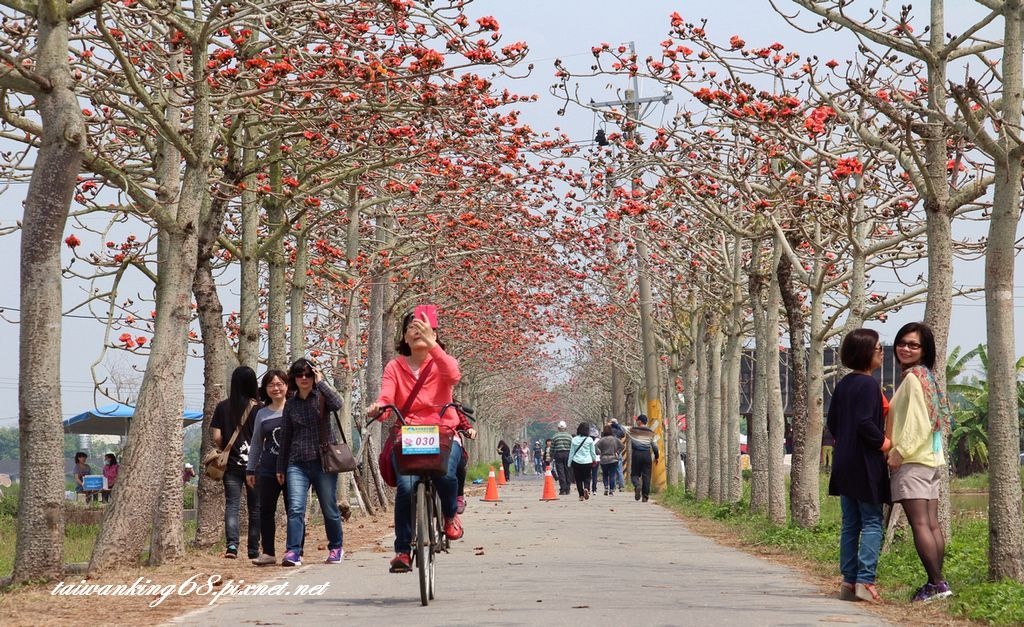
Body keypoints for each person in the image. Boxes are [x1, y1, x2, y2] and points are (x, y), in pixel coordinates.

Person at [367, 310, 477, 574]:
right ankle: (402, 551)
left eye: (424, 328)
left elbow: (453, 375)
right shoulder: (395, 367)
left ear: (435, 334)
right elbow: (387, 397)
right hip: (409, 434)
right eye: (412, 328)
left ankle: (450, 514)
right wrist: (378, 408)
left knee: (447, 476)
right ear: (404, 337)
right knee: (406, 488)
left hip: (443, 432)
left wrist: (434, 347)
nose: (417, 332)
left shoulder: (442, 362)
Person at [887, 322, 954, 602]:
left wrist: (899, 451)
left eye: (913, 345)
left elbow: (917, 422)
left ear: (924, 350)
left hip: (913, 460)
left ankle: (936, 584)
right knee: (931, 524)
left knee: (921, 525)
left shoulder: (914, 379)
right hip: (930, 459)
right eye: (902, 343)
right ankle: (938, 583)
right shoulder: (926, 376)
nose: (905, 348)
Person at [827, 328, 891, 603]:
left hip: (844, 461)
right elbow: (866, 423)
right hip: (865, 463)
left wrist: (848, 442)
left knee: (851, 523)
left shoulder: (843, 384)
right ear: (866, 352)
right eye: (878, 348)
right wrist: (885, 444)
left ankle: (849, 582)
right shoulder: (867, 385)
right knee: (873, 522)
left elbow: (832, 423)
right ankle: (866, 581)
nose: (882, 353)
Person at [276, 358, 345, 567]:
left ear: (313, 376)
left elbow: (338, 403)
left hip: (323, 462)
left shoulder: (322, 396)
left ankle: (336, 547)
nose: (304, 378)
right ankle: (293, 552)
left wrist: (322, 381)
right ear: (293, 378)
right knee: (296, 507)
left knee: (328, 507)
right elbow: (286, 437)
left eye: (308, 374)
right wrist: (281, 466)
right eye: (299, 375)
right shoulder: (291, 404)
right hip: (297, 463)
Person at [211, 365, 261, 559]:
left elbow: (216, 436)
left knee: (232, 505)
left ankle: (232, 546)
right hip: (254, 466)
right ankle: (253, 549)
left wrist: (226, 447)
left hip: (231, 465)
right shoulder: (259, 408)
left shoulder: (223, 406)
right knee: (254, 507)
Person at [247, 369, 294, 566]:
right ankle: (268, 552)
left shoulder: (294, 408)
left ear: (287, 386)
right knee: (266, 510)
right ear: (265, 389)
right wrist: (250, 469)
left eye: (280, 384)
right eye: (271, 385)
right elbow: (257, 443)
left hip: (293, 469)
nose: (276, 388)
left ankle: (293, 550)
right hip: (267, 468)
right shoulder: (261, 413)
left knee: (294, 509)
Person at [627, 415, 660, 502]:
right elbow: (655, 447)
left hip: (636, 454)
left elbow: (622, 428)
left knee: (634, 474)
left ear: (640, 421)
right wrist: (656, 457)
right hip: (647, 455)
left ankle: (637, 485)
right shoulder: (651, 432)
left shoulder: (633, 430)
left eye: (637, 420)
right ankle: (645, 496)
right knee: (646, 476)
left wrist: (613, 423)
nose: (636, 422)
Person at [569, 422, 598, 500]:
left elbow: (571, 452)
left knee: (578, 479)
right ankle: (586, 488)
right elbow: (592, 452)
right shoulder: (589, 440)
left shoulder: (574, 439)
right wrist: (594, 460)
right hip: (587, 462)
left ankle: (581, 495)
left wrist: (569, 463)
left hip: (576, 462)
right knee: (587, 477)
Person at [596, 425, 624, 495]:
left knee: (605, 474)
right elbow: (622, 446)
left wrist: (599, 453)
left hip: (604, 459)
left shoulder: (602, 440)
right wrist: (617, 452)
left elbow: (595, 447)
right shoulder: (615, 439)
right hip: (613, 459)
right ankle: (611, 490)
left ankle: (606, 487)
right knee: (612, 475)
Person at [551, 421, 573, 495]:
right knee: (568, 471)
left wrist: (551, 456)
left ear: (558, 428)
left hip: (559, 454)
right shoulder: (569, 436)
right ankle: (568, 488)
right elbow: (572, 447)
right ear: (565, 428)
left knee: (561, 472)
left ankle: (562, 489)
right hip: (568, 454)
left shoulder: (555, 436)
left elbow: (552, 448)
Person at [610, 418, 627, 491]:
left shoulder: (609, 431)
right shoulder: (619, 431)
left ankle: (612, 487)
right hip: (618, 452)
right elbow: (623, 434)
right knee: (619, 470)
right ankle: (621, 486)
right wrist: (618, 426)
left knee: (612, 471)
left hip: (610, 453)